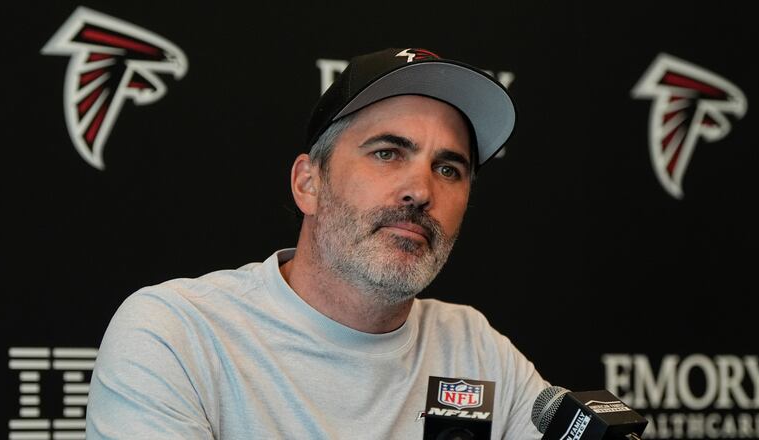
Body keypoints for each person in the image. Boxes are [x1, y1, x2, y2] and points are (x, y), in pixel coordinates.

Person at [86, 47, 548, 439]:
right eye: (387, 153)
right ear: (308, 183)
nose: (420, 191)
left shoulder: (474, 348)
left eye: (448, 169)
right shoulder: (177, 333)